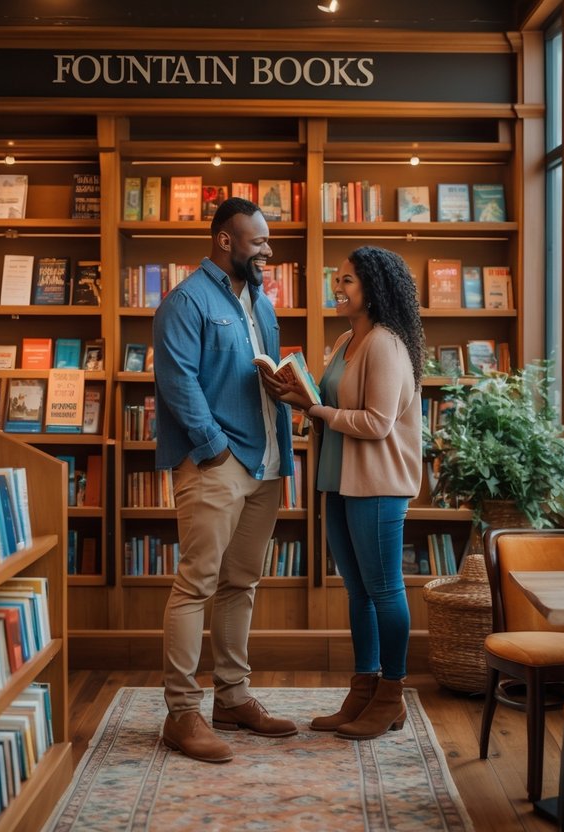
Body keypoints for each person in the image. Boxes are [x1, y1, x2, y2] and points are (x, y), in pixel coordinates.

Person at [153, 197, 297, 763]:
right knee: (196, 585)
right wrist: (214, 451)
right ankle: (181, 714)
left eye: (267, 240)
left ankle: (232, 698)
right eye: (258, 241)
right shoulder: (185, 301)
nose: (267, 250)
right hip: (218, 463)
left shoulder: (260, 302)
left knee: (242, 583)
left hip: (266, 464)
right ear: (225, 241)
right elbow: (178, 383)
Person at [262, 245, 424, 740]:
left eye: (348, 280)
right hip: (338, 481)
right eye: (338, 279)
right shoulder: (344, 340)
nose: (338, 287)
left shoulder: (386, 344)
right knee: (357, 593)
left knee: (384, 590)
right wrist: (297, 395)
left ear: (374, 290)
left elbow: (376, 424)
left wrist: (315, 412)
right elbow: (332, 405)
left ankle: (392, 695)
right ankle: (363, 689)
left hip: (377, 485)